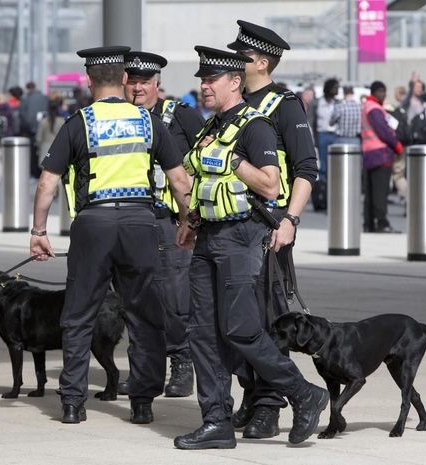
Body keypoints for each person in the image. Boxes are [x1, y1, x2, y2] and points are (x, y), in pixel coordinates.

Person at [173, 45, 328, 450]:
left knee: (241, 329)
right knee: (202, 333)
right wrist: (190, 220)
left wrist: (234, 161)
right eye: (202, 80)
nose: (204, 87)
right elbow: (200, 179)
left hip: (243, 237)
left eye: (211, 80)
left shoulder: (255, 126)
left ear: (234, 82)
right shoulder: (211, 126)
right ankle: (216, 421)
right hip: (209, 235)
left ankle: (302, 393)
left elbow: (271, 184)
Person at [29, 46, 194, 426]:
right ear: (123, 79)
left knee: (79, 314)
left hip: (92, 226)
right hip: (140, 224)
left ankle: (72, 403)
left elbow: (47, 183)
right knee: (143, 315)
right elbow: (179, 179)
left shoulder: (77, 123)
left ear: (89, 82)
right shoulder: (147, 121)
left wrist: (39, 231)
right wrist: (188, 222)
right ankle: (141, 403)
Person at [225, 20, 318, 439]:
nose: (236, 62)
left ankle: (269, 404)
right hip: (231, 229)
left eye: (242, 57)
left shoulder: (284, 105)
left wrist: (290, 220)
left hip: (268, 230)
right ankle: (252, 393)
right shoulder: (235, 104)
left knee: (267, 321)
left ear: (262, 61)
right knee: (234, 321)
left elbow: (305, 170)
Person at [122, 50, 205, 398]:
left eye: (145, 82)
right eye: (133, 81)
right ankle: (143, 368)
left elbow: (207, 157)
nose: (138, 88)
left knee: (175, 299)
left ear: (158, 84)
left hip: (171, 222)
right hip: (130, 221)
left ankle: (181, 362)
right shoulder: (118, 118)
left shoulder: (181, 116)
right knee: (135, 299)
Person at [361, 81, 403, 233]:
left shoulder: (367, 106)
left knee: (371, 193)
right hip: (380, 154)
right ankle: (382, 223)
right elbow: (383, 131)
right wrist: (397, 145)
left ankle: (369, 223)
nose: (383, 94)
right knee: (380, 192)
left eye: (384, 91)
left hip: (368, 153)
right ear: (373, 92)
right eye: (380, 91)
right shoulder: (375, 109)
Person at [19, 81, 48, 178]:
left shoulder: (26, 99)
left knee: (32, 152)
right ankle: (42, 171)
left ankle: (34, 172)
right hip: (44, 127)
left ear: (27, 88)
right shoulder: (44, 97)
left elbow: (22, 114)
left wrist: (27, 126)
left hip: (31, 129)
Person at [313, 78, 339, 180]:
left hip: (335, 135)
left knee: (334, 162)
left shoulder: (338, 103)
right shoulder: (317, 103)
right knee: (323, 163)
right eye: (335, 87)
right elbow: (311, 121)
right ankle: (323, 187)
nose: (337, 89)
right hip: (322, 135)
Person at [35, 94, 65, 168]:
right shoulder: (62, 121)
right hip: (59, 151)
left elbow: (38, 138)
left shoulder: (43, 121)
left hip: (45, 150)